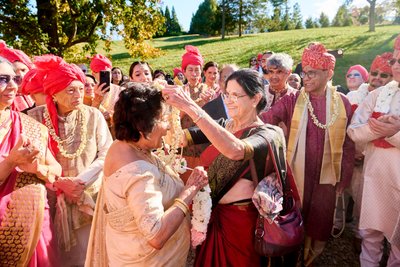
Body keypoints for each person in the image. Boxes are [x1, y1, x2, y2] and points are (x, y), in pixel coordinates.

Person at [163, 69, 291, 267]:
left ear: (255, 98)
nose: (229, 100)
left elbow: (236, 150)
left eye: (236, 95)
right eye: (226, 94)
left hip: (241, 225)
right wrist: (170, 110)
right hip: (213, 216)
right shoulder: (223, 127)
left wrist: (190, 106)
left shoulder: (267, 134)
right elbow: (177, 139)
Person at [85, 82, 208, 266]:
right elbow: (156, 235)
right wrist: (190, 189)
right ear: (144, 129)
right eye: (164, 119)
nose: (167, 127)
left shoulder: (123, 146)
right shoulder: (138, 172)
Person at [260, 42, 355, 266]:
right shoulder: (293, 100)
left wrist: (344, 177)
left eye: (312, 73)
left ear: (329, 73)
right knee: (295, 216)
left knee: (320, 219)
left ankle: (312, 257)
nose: (306, 78)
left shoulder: (343, 104)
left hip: (327, 177)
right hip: (297, 174)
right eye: (304, 72)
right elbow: (267, 119)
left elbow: (348, 145)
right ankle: (294, 255)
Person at [29, 55, 113, 266]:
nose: (78, 95)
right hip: (47, 201)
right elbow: (30, 160)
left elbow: (107, 153)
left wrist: (79, 182)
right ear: (54, 94)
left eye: (81, 89)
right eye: (71, 90)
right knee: (53, 256)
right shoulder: (33, 118)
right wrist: (57, 184)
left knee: (89, 255)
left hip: (86, 197)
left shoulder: (94, 115)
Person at [0, 56, 62, 266]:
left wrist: (38, 169)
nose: (11, 86)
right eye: (2, 79)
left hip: (33, 226)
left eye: (15, 79)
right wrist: (10, 162)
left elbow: (56, 169)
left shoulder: (30, 126)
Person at [347, 34, 400, 267]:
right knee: (370, 234)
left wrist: (395, 132)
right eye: (395, 61)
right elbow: (354, 131)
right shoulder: (378, 95)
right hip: (375, 177)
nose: (396, 66)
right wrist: (378, 129)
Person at [180, 45, 214, 182]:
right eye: (190, 70)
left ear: (201, 72)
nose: (194, 74)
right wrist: (184, 106)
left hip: (204, 144)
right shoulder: (179, 92)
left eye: (197, 70)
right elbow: (174, 119)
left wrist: (208, 104)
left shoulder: (209, 91)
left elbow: (215, 120)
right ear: (184, 72)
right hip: (184, 146)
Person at [0, 40, 35, 112]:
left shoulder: (39, 93)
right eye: (15, 72)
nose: (21, 75)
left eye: (23, 70)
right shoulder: (6, 98)